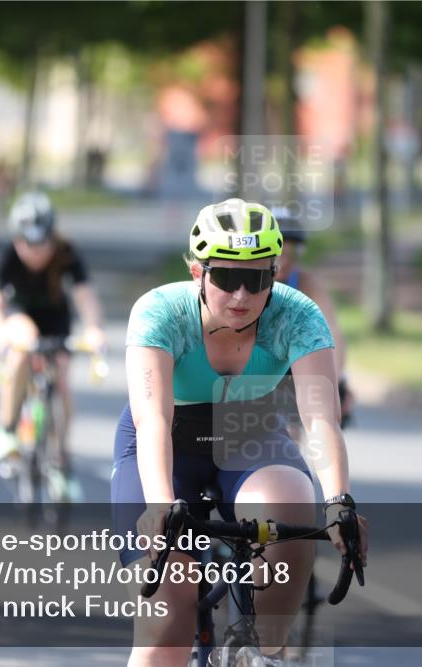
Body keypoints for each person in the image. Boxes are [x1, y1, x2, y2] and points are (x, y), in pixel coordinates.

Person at [112, 198, 368, 665]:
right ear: (197, 273)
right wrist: (159, 506)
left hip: (248, 432)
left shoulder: (296, 315)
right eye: (227, 277)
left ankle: (260, 651)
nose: (241, 295)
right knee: (167, 618)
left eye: (258, 278)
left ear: (275, 273)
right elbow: (153, 420)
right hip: (166, 442)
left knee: (293, 507)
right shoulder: (159, 312)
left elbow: (320, 419)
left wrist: (339, 501)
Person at [0, 191, 106, 502]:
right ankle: (6, 429)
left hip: (56, 319)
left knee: (61, 380)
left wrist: (94, 330)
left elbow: (85, 296)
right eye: (27, 244)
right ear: (17, 238)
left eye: (42, 244)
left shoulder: (66, 253)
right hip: (19, 316)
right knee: (23, 342)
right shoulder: (7, 255)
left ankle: (61, 462)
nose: (35, 252)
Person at [272, 207, 355, 430]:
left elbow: (332, 331)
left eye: (292, 254)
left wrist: (337, 380)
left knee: (294, 430)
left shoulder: (306, 281)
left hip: (290, 360)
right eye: (279, 253)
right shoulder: (250, 281)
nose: (285, 261)